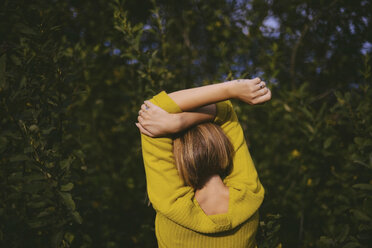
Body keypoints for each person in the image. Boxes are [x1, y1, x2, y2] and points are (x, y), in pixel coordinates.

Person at [136, 78, 271, 248]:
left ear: (175, 159)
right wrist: (181, 122)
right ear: (223, 145)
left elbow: (153, 108)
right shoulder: (250, 196)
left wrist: (177, 123)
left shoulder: (171, 203)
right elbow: (227, 112)